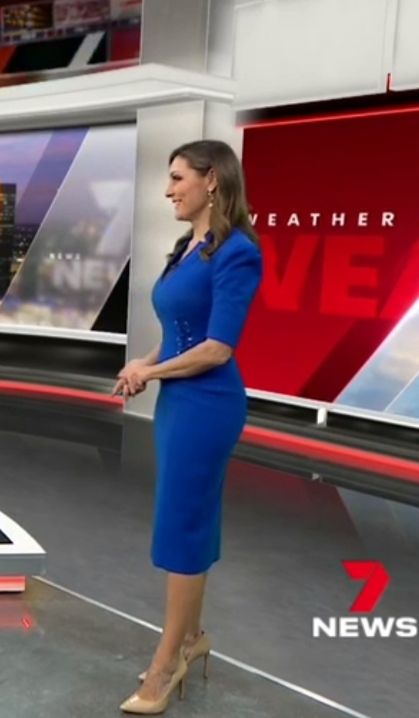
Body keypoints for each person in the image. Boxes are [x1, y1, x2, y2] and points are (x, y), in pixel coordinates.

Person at [113, 139, 263, 714]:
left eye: (178, 178)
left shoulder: (237, 252)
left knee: (182, 527)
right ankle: (194, 639)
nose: (168, 190)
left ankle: (165, 664)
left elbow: (218, 348)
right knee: (191, 520)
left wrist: (150, 373)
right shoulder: (188, 248)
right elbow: (183, 333)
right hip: (179, 402)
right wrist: (146, 362)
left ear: (213, 181)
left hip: (208, 405)